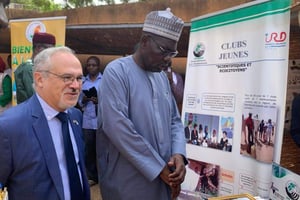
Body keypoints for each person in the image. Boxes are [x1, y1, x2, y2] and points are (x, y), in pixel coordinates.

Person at [96, 8, 187, 200]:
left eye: (172, 52)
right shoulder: (117, 72)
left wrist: (178, 154)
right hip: (128, 181)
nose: (168, 58)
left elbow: (174, 120)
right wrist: (157, 167)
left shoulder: (161, 77)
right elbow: (117, 127)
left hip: (163, 178)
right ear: (145, 42)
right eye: (164, 51)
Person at [0, 46, 90, 200]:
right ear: (40, 79)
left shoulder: (75, 117)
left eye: (79, 78)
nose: (75, 86)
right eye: (67, 77)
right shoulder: (9, 127)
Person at [78, 56, 102, 185]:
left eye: (94, 65)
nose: (91, 67)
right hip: (87, 121)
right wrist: (85, 100)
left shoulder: (104, 81)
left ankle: (103, 177)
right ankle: (92, 176)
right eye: (89, 65)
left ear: (99, 66)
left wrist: (99, 101)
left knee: (101, 150)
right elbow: (79, 101)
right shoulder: (83, 82)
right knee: (88, 150)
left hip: (100, 122)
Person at [14, 32, 56, 104]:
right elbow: (36, 97)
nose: (52, 53)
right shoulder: (29, 68)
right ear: (38, 48)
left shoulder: (38, 67)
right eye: (49, 50)